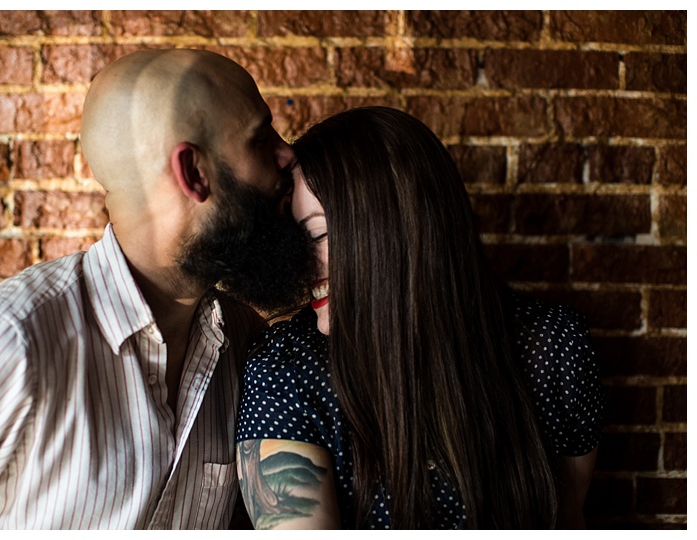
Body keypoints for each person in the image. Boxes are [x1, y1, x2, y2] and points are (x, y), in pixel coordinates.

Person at [0, 49, 314, 529]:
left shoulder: (243, 341)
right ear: (194, 174)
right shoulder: (7, 344)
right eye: (260, 137)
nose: (287, 154)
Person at [235, 106, 605, 529]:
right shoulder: (284, 370)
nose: (301, 265)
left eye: (318, 234)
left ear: (397, 233)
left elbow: (568, 521)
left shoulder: (552, 347)